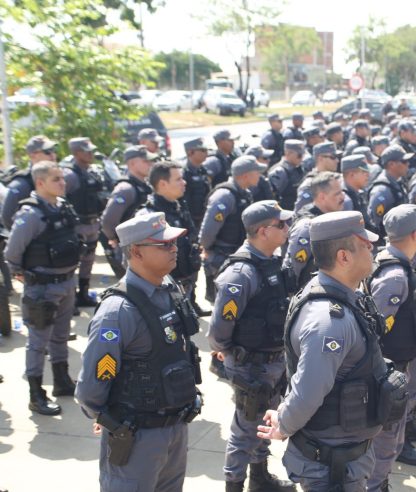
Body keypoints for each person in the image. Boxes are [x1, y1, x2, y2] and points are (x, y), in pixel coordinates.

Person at [256, 211, 408, 492]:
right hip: (331, 467)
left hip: (345, 456)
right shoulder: (328, 322)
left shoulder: (347, 296)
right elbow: (309, 389)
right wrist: (284, 424)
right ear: (344, 256)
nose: (372, 248)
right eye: (365, 244)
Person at [75, 212, 203, 492]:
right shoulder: (118, 311)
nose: (174, 249)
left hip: (175, 429)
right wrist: (104, 417)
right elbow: (89, 389)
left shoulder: (170, 289)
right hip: (137, 436)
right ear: (136, 251)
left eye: (174, 242)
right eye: (164, 245)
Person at [208, 201, 296, 492]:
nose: (286, 228)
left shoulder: (271, 261)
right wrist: (227, 351)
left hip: (271, 361)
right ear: (262, 231)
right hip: (250, 366)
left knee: (264, 422)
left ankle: (260, 478)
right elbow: (220, 327)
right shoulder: (241, 272)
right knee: (244, 429)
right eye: (280, 225)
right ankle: (234, 485)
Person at [367, 205, 416, 487]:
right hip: (392, 373)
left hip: (403, 366)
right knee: (384, 444)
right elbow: (376, 332)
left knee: (391, 439)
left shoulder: (403, 264)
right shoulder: (394, 277)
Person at [5, 161, 79, 415]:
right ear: (40, 183)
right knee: (38, 342)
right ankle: (36, 394)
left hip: (67, 282)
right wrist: (20, 273)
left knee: (60, 336)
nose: (63, 182)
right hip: (42, 288)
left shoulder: (63, 207)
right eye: (56, 179)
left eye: (62, 178)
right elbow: (13, 252)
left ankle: (62, 381)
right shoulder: (31, 214)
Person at [137, 161, 205, 315]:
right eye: (178, 179)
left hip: (184, 283)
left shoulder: (178, 206)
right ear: (163, 184)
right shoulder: (148, 216)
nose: (184, 182)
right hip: (163, 288)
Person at [199, 156, 261, 302]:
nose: (260, 175)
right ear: (245, 175)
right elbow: (208, 229)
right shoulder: (225, 196)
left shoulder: (245, 193)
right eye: (257, 171)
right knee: (224, 300)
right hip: (222, 255)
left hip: (237, 253)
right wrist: (206, 248)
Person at [62, 137, 110, 307]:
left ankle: (83, 294)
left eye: (91, 150)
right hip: (77, 225)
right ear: (75, 153)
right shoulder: (69, 175)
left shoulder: (91, 171)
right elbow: (60, 199)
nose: (90, 153)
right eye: (86, 151)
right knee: (72, 261)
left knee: (88, 260)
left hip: (93, 222)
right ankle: (70, 299)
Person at [283, 172, 346, 289]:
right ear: (322, 197)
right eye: (337, 194)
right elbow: (292, 271)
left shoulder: (331, 218)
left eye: (342, 192)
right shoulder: (307, 227)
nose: (343, 197)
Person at [100, 145, 156, 278]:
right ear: (132, 163)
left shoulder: (146, 185)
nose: (151, 164)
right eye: (145, 161)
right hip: (132, 249)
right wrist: (115, 238)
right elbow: (108, 221)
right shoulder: (126, 189)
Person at [1, 135, 58, 230]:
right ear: (32, 155)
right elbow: (7, 217)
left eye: (53, 150)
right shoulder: (22, 184)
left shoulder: (58, 176)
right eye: (47, 151)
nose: (53, 155)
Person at [367, 145, 411, 241]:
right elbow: (376, 224)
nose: (408, 164)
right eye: (404, 161)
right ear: (391, 164)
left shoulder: (397, 182)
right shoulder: (381, 191)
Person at [293, 142, 339, 212]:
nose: (337, 160)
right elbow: (300, 213)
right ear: (320, 158)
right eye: (333, 157)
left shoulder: (336, 179)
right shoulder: (308, 186)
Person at [181, 138, 212, 230]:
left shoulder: (202, 169)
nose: (207, 153)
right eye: (203, 150)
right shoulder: (184, 172)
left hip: (203, 215)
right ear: (190, 152)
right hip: (191, 219)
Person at [268, 140, 306, 210]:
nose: (302, 158)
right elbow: (272, 198)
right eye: (299, 155)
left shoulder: (298, 168)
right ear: (288, 153)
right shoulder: (279, 172)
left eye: (303, 155)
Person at [340, 154, 370, 222]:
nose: (368, 175)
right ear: (352, 175)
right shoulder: (345, 200)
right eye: (364, 172)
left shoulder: (358, 192)